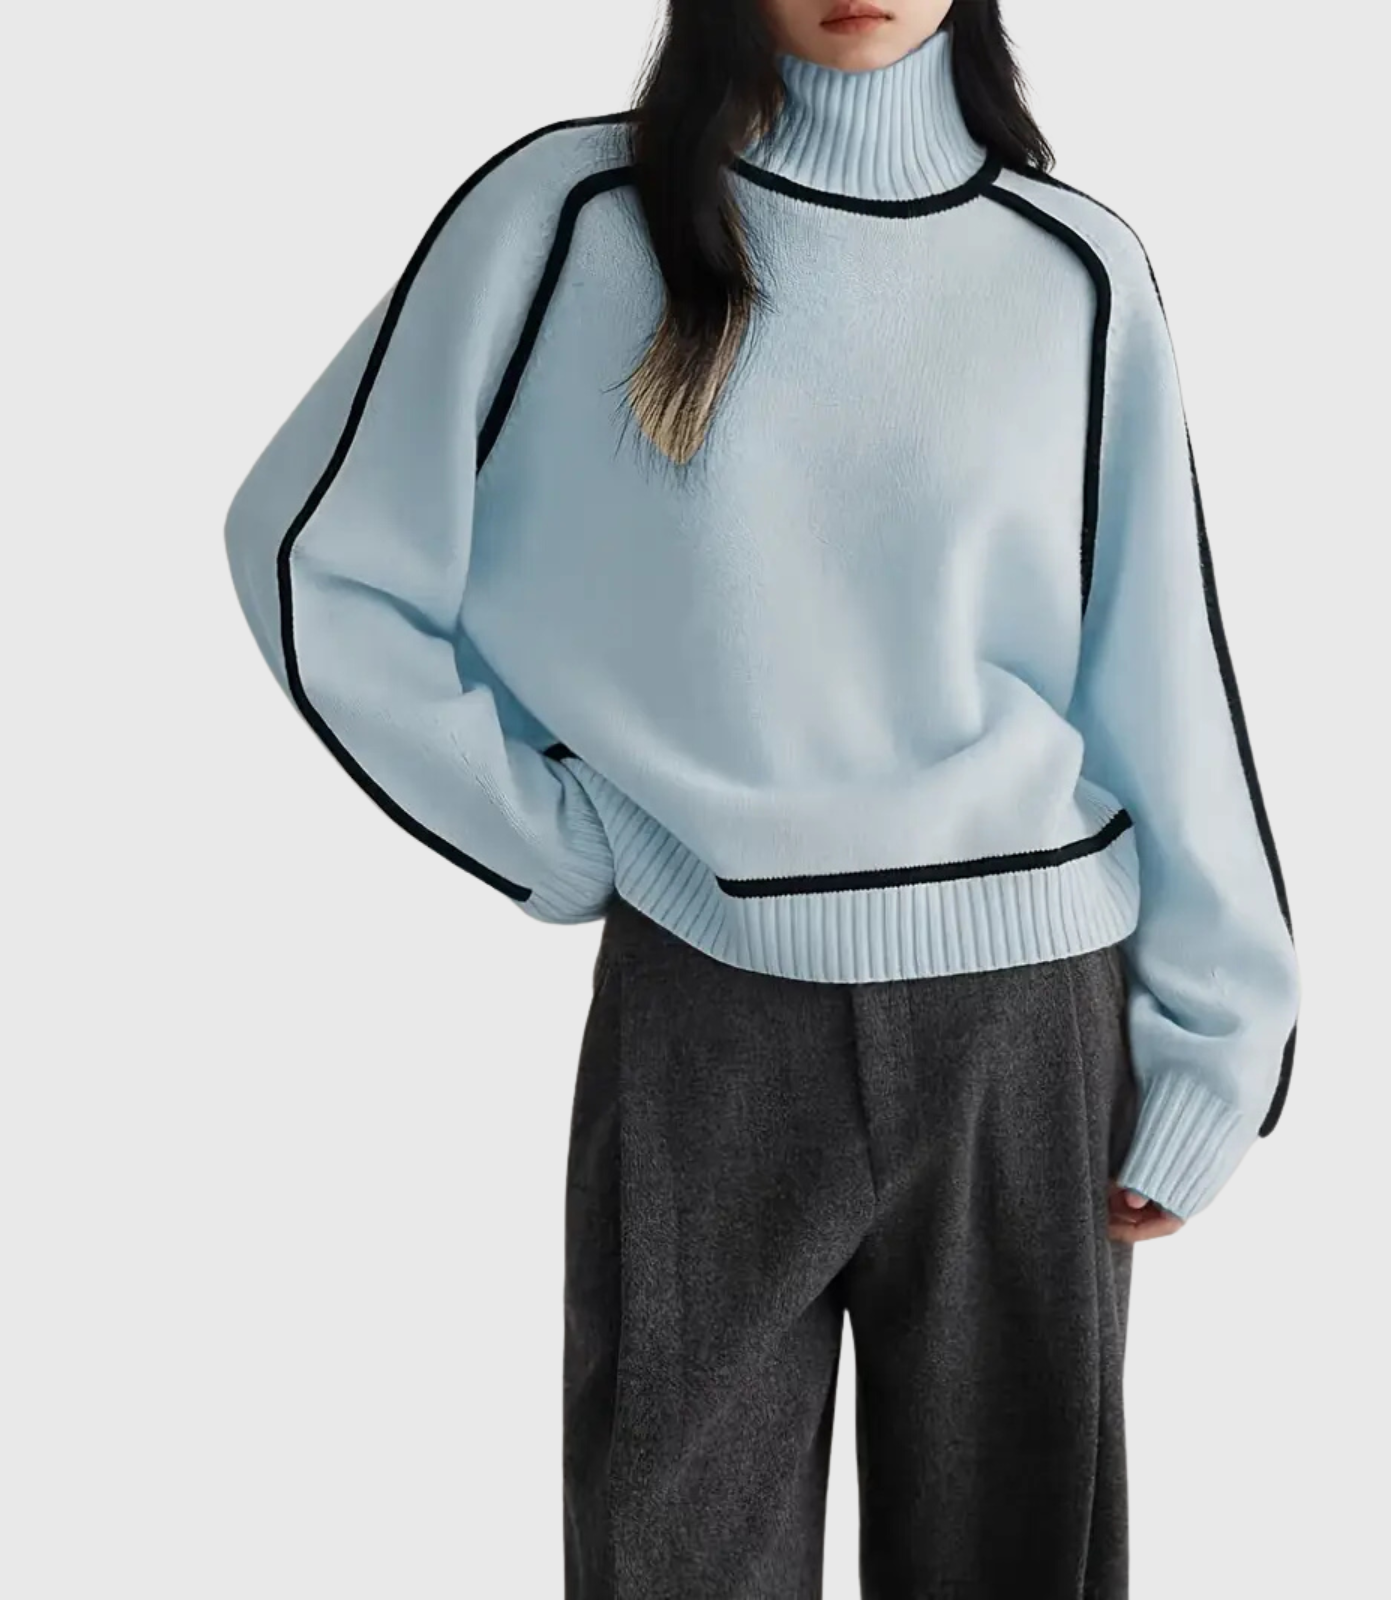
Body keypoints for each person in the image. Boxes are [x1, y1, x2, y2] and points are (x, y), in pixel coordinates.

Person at [222, 2, 1300, 1594]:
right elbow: (317, 556)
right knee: (672, 1557)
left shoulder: (1073, 268)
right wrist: (549, 834)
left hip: (1027, 1031)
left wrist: (1221, 1044)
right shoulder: (573, 218)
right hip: (707, 1011)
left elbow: (1161, 674)